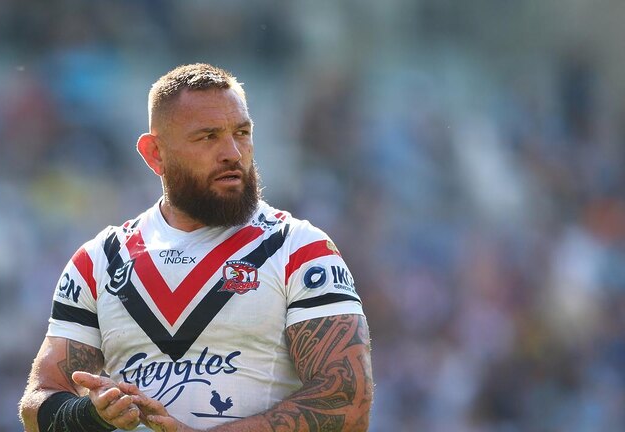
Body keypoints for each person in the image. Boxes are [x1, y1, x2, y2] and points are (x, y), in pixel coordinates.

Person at [19, 63, 373, 432]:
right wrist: (93, 414)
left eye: (242, 132)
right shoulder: (99, 262)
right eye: (208, 137)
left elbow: (349, 403)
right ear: (155, 153)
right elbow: (38, 405)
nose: (233, 153)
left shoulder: (299, 249)